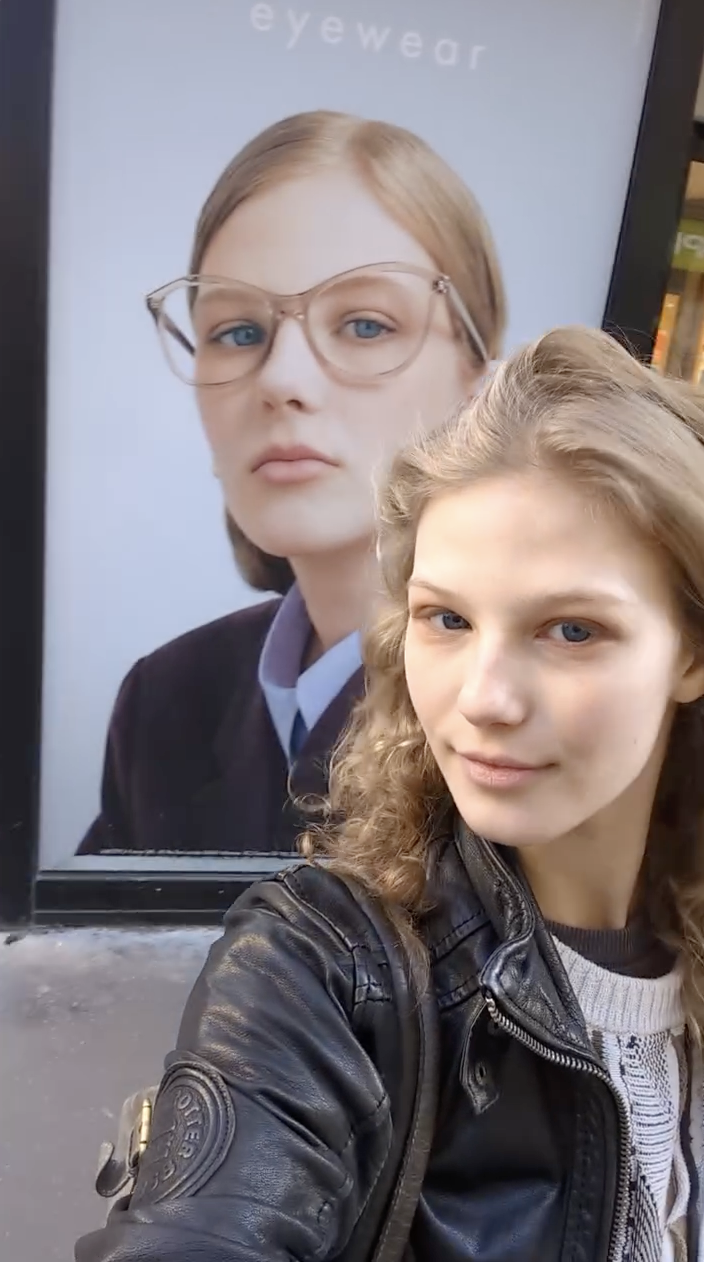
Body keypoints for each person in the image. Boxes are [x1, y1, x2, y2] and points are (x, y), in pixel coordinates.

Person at [76, 326, 704, 1261]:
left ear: (690, 652)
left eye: (571, 630)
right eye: (446, 619)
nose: (484, 699)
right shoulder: (322, 973)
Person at [77, 109, 505, 858]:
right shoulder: (168, 695)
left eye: (365, 324)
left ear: (478, 383)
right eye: (238, 332)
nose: (280, 380)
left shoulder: (511, 715)